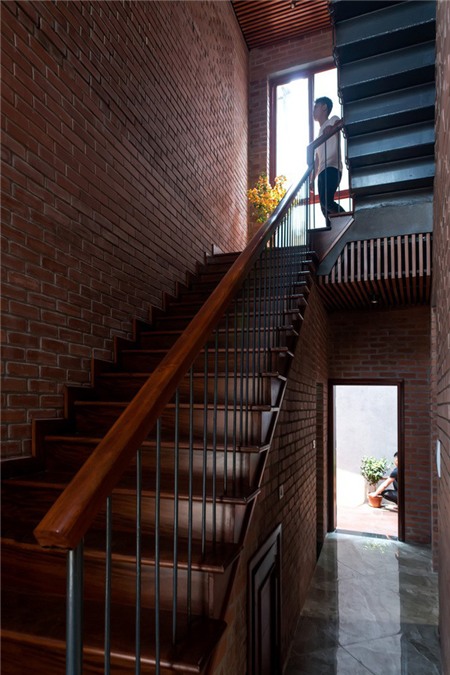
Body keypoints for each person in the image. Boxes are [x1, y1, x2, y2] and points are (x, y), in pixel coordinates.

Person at [312, 96, 345, 226]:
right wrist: (312, 179)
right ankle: (332, 230)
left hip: (332, 167)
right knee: (324, 208)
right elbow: (317, 160)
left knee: (326, 202)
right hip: (321, 171)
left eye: (316, 107)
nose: (313, 110)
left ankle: (347, 220)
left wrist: (332, 128)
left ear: (324, 107)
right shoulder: (318, 135)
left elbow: (341, 124)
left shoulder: (332, 120)